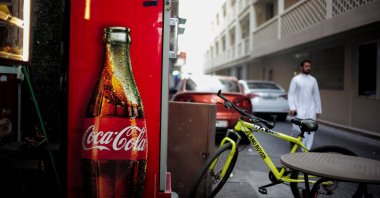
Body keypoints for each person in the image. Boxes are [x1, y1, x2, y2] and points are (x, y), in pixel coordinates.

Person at [288, 60, 322, 150]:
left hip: (311, 108)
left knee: (310, 128)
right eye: (306, 66)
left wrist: (318, 109)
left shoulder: (313, 80)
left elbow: (316, 95)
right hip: (299, 108)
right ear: (301, 67)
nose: (308, 68)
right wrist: (292, 107)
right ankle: (293, 140)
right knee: (298, 128)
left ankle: (306, 149)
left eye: (309, 66)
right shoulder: (295, 79)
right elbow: (291, 94)